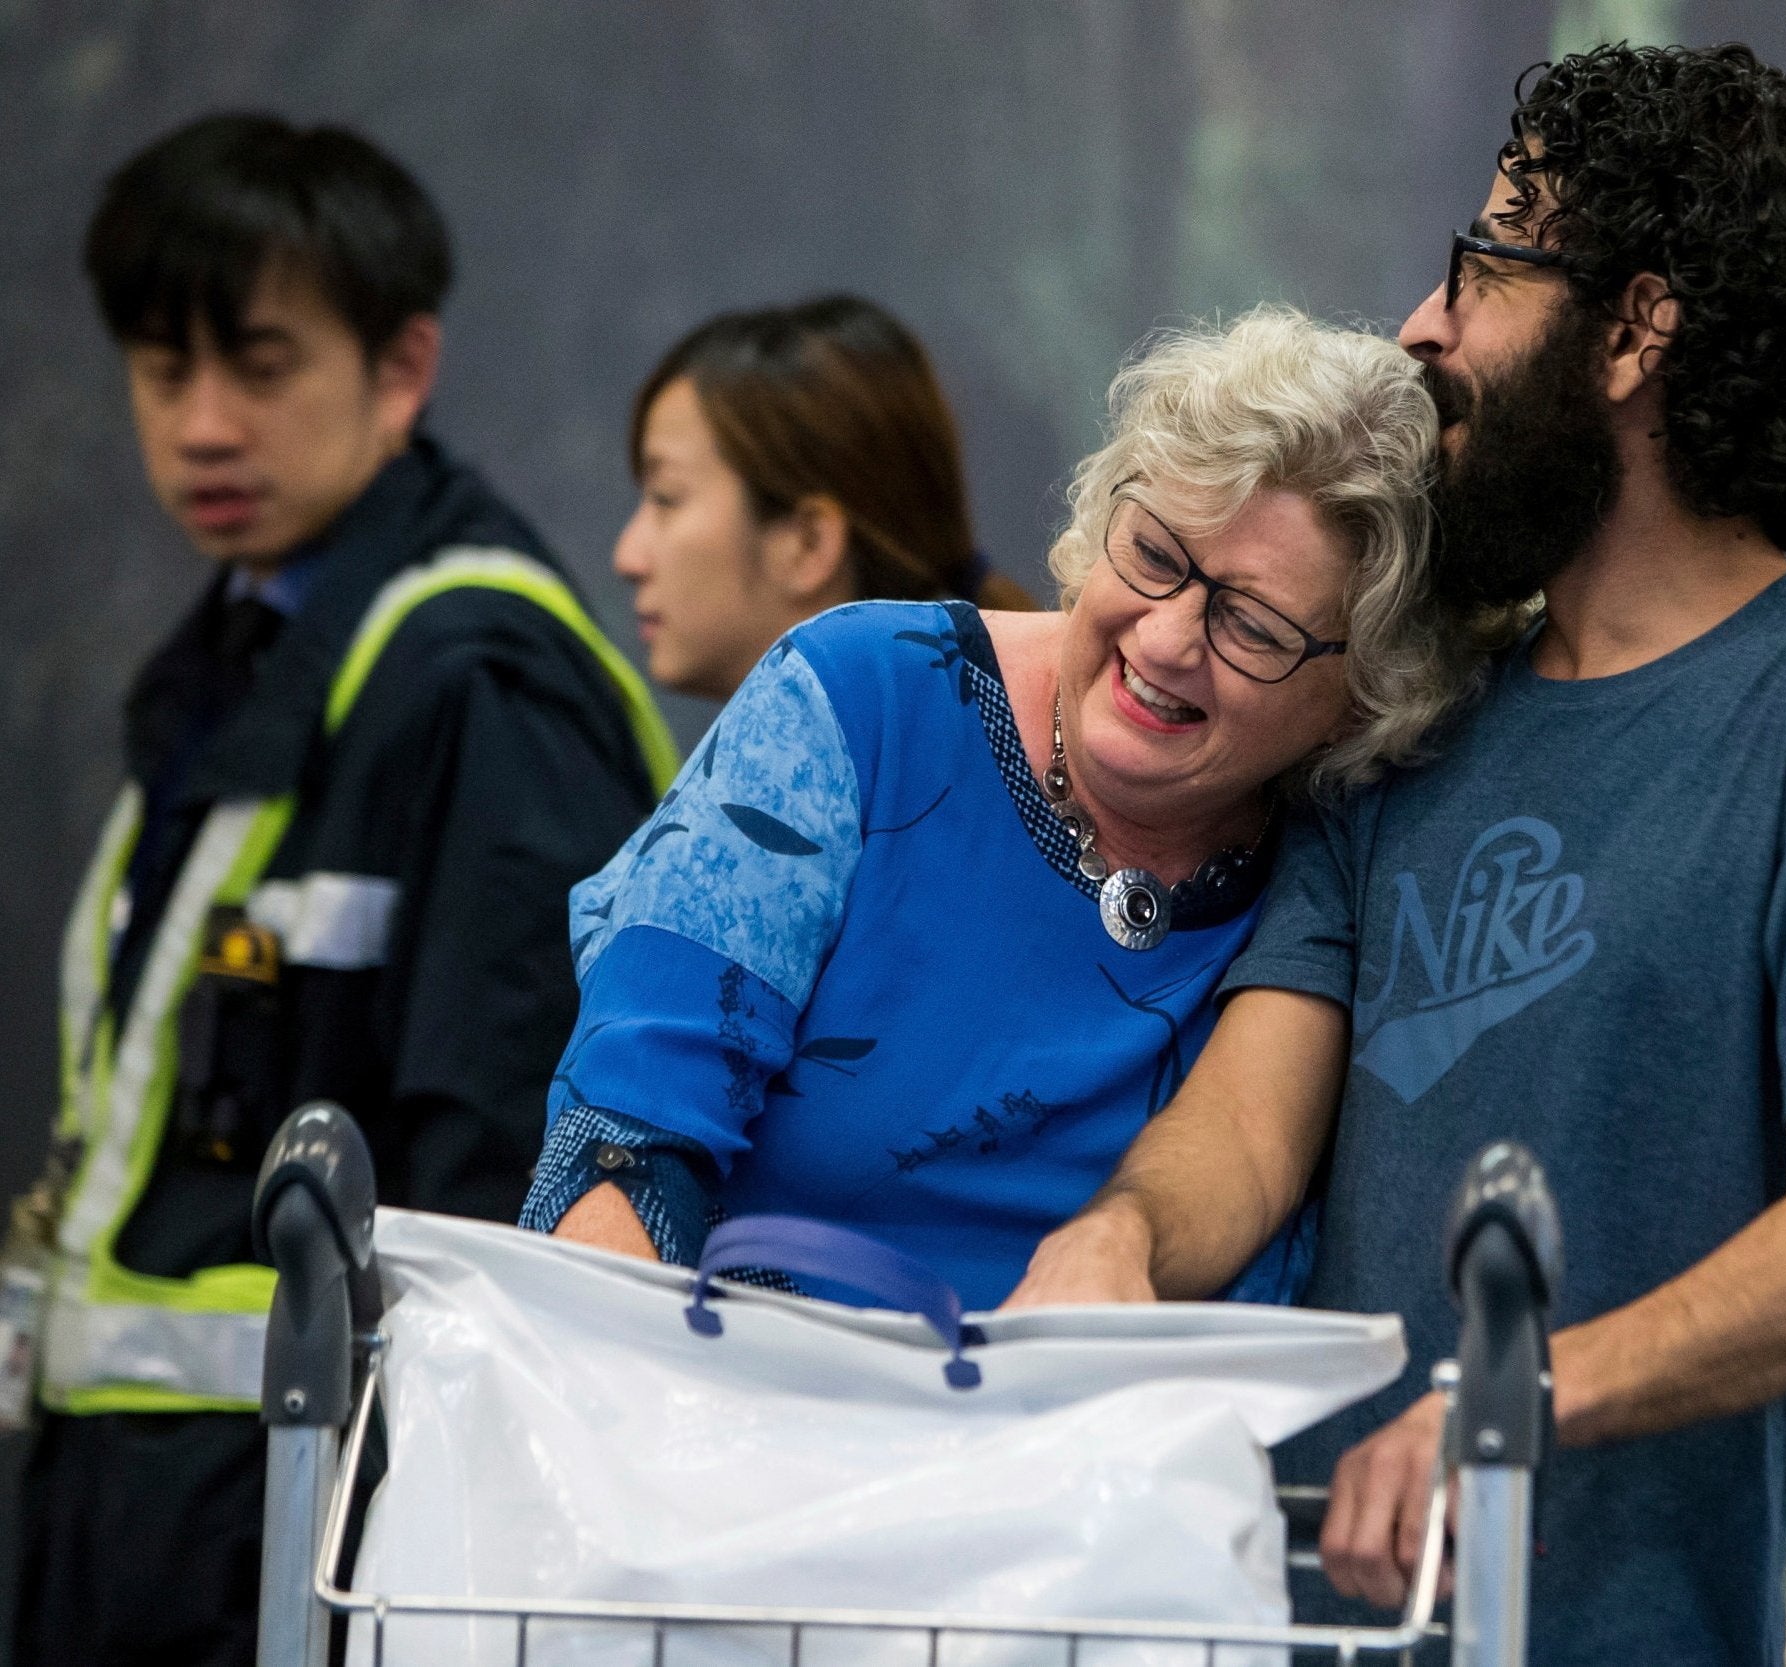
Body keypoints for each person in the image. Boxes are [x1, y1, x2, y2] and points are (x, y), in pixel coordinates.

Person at [1010, 43, 1786, 1667]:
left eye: (1484, 264)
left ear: (1632, 330)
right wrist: (1118, 1239)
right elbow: (1251, 1133)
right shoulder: (1409, 713)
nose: (1422, 325)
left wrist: (1509, 1401)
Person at [14, 115, 676, 1666]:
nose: (202, 425)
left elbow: (499, 1176)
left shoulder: (475, 678)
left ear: (400, 370)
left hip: (311, 1530)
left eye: (258, 363)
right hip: (148, 1522)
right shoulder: (235, 658)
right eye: (163, 370)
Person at [522, 306, 1500, 1307]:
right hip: (732, 1412)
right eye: (1155, 556)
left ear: (1361, 696)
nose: (1165, 640)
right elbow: (622, 1142)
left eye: (1251, 624)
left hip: (1096, 1451)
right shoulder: (857, 701)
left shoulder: (1335, 846)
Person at [616, 295, 1035, 703]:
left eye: (666, 498)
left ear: (808, 542)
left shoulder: (905, 768)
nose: (627, 558)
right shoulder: (960, 740)